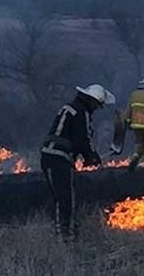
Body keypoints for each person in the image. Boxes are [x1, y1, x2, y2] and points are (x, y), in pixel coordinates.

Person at [39, 84, 115, 240]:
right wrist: (90, 156)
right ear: (93, 101)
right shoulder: (82, 112)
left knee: (60, 197)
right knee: (66, 198)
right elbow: (83, 138)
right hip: (58, 158)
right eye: (98, 105)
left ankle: (62, 232)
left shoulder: (70, 107)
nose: (96, 109)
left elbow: (72, 136)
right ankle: (67, 236)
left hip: (48, 156)